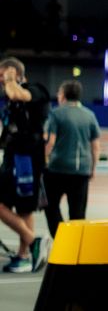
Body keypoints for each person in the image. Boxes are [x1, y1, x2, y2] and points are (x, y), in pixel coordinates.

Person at [0, 57, 49, 271]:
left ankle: (32, 241)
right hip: (14, 157)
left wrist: (10, 79)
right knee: (24, 209)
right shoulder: (12, 99)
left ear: (15, 74)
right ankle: (25, 256)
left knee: (21, 207)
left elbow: (16, 93)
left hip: (26, 160)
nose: (1, 80)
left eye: (3, 75)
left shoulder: (36, 90)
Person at [41, 81, 99, 242]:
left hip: (57, 169)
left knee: (50, 206)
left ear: (63, 95)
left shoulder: (56, 114)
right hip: (81, 171)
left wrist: (43, 161)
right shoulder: (89, 115)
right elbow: (95, 146)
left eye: (59, 93)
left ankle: (60, 239)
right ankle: (76, 246)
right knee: (78, 213)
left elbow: (50, 142)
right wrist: (93, 168)